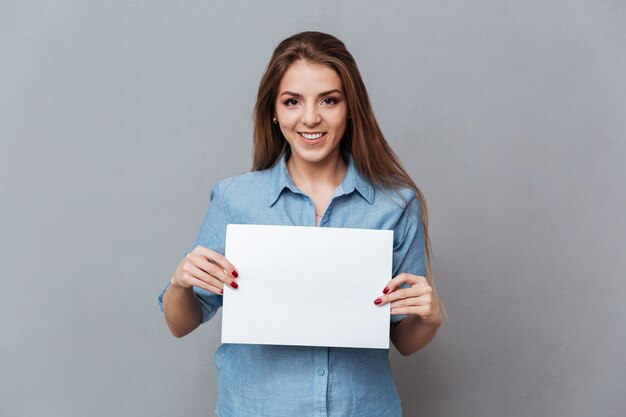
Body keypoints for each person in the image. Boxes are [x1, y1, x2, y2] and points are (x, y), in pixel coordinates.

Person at [158, 31, 442, 417]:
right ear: (274, 111)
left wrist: (430, 317)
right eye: (292, 102)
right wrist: (180, 282)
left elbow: (403, 340)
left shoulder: (396, 204)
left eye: (329, 100)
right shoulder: (234, 200)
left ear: (351, 108)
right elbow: (181, 323)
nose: (311, 118)